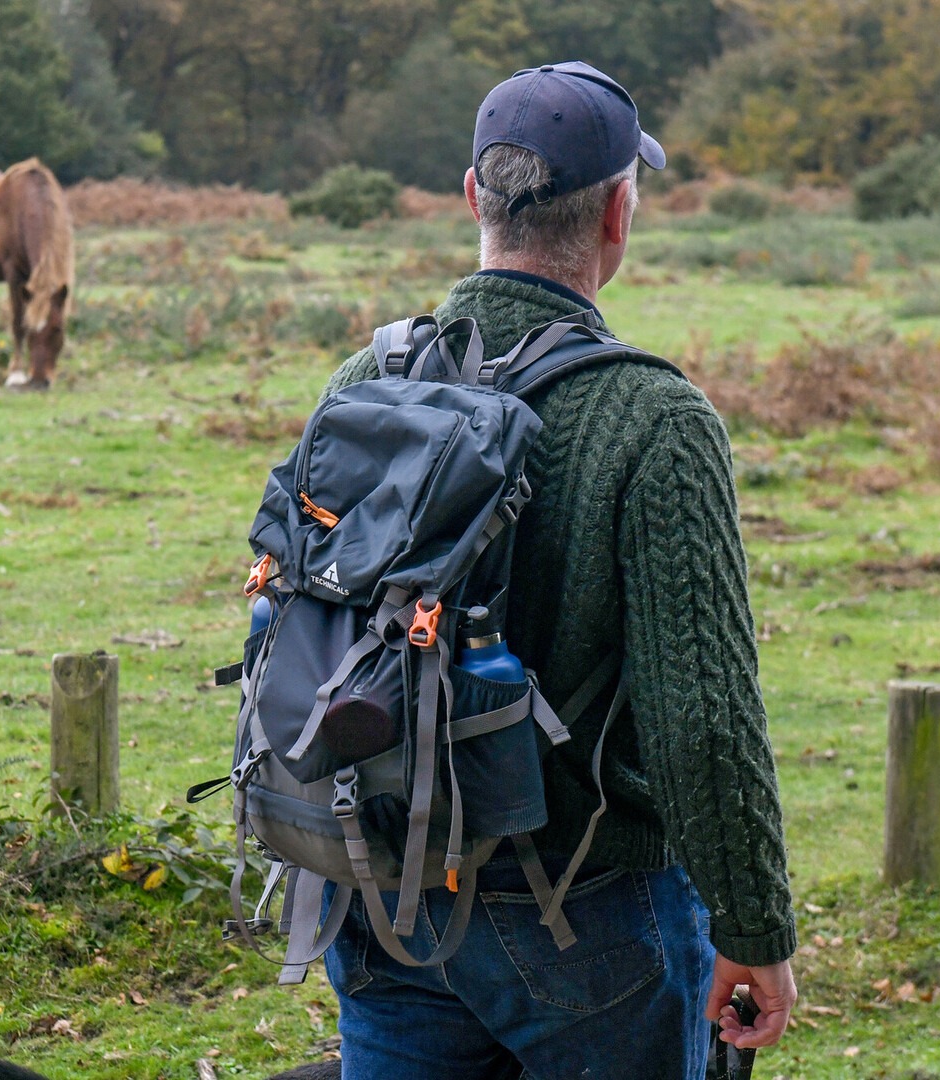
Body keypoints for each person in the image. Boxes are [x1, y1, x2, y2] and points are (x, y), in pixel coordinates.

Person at [315, 62, 799, 1080]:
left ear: (471, 199)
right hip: (585, 917)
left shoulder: (367, 379)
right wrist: (756, 927)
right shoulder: (655, 420)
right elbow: (702, 719)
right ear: (621, 212)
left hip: (381, 894)